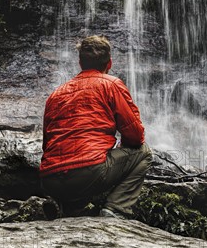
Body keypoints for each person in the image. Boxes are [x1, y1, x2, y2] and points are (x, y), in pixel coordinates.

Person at [40, 35, 152, 218]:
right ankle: (115, 208)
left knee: (81, 164)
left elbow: (47, 144)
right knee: (143, 152)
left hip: (49, 179)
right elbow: (135, 135)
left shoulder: (56, 93)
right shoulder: (111, 84)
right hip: (88, 174)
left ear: (80, 62)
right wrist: (117, 146)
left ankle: (69, 207)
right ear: (109, 63)